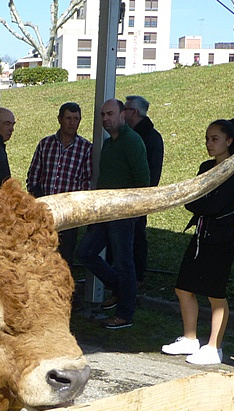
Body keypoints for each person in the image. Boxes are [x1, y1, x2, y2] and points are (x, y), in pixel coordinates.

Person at [161, 119, 234, 365]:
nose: (209, 144)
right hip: (202, 233)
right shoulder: (205, 166)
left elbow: (214, 204)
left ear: (229, 141)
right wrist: (200, 204)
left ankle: (214, 347)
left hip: (222, 237)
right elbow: (191, 200)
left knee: (215, 294)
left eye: (215, 139)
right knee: (183, 287)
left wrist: (200, 204)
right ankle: (190, 339)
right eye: (207, 138)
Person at [76, 99, 150, 329]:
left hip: (123, 213)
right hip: (104, 212)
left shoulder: (132, 141)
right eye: (102, 115)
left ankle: (125, 314)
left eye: (110, 114)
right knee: (86, 252)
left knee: (123, 262)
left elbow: (143, 179)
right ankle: (121, 290)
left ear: (123, 115)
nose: (105, 119)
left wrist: (135, 210)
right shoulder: (109, 144)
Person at [26, 101, 92, 269]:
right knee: (42, 251)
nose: (72, 123)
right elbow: (34, 174)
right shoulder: (45, 144)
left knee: (65, 256)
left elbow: (87, 180)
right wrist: (37, 198)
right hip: (45, 210)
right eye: (68, 118)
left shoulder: (85, 148)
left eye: (76, 119)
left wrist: (76, 205)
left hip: (69, 212)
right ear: (60, 119)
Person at [123, 95, 164, 289]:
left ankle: (137, 278)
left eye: (126, 108)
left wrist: (145, 196)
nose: (123, 112)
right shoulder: (140, 135)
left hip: (139, 197)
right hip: (132, 196)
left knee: (136, 236)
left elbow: (152, 172)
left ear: (134, 112)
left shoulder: (148, 138)